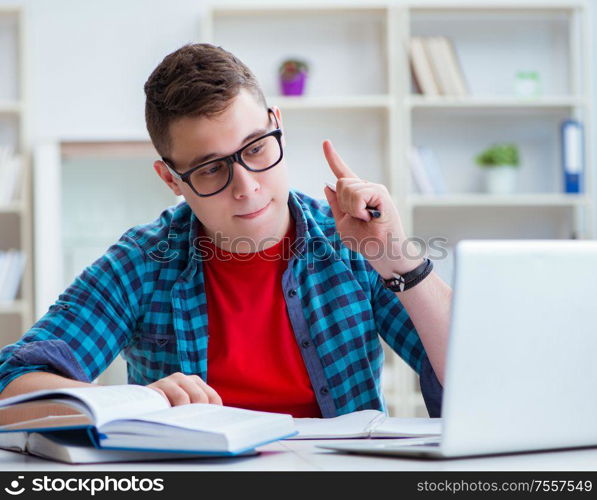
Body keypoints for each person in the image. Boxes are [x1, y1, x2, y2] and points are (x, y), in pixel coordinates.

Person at [0, 44, 451, 418]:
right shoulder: (140, 261)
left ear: (278, 128)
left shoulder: (352, 242)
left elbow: (474, 383)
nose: (247, 186)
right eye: (211, 169)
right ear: (171, 179)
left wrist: (398, 260)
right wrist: (136, 403)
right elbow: (12, 383)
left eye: (255, 148)